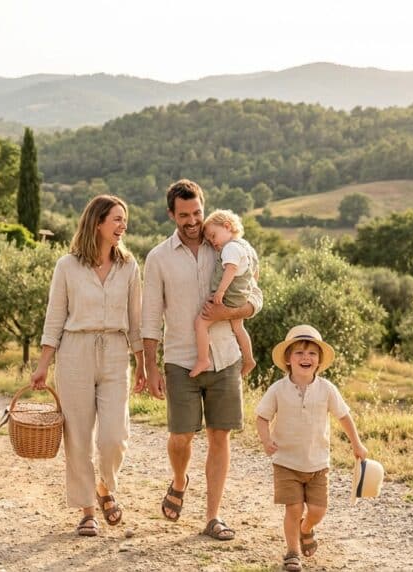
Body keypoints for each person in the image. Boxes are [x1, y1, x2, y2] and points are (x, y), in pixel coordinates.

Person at [140, 179, 262, 541]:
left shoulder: (224, 246)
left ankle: (213, 516)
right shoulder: (158, 257)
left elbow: (256, 299)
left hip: (225, 359)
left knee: (219, 436)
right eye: (184, 215)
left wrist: (226, 313)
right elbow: (149, 317)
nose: (193, 221)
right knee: (181, 437)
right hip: (179, 359)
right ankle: (179, 480)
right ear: (171, 215)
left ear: (204, 209)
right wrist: (150, 366)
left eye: (197, 212)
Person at [30, 194, 147, 537]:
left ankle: (105, 487)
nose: (123, 226)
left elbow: (136, 321)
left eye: (124, 219)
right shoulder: (67, 266)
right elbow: (55, 318)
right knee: (78, 437)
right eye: (116, 219)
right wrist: (42, 365)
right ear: (97, 223)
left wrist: (142, 364)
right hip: (75, 353)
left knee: (115, 437)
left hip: (114, 351)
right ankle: (86, 511)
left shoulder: (129, 267)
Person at [255, 325, 368, 571]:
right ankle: (292, 552)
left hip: (318, 463)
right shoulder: (277, 389)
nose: (306, 358)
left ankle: (306, 528)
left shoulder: (327, 389)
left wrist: (357, 444)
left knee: (317, 510)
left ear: (319, 361)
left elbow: (344, 416)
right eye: (299, 353)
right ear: (288, 358)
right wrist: (266, 440)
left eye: (312, 354)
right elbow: (262, 417)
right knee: (293, 508)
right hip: (286, 462)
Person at [189, 209, 260, 379]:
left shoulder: (230, 248)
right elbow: (255, 271)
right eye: (209, 239)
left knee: (200, 323)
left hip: (228, 297)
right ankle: (249, 359)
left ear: (227, 226)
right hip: (240, 296)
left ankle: (203, 359)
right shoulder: (247, 247)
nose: (213, 242)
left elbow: (231, 269)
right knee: (238, 327)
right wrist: (249, 290)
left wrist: (220, 291)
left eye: (213, 236)